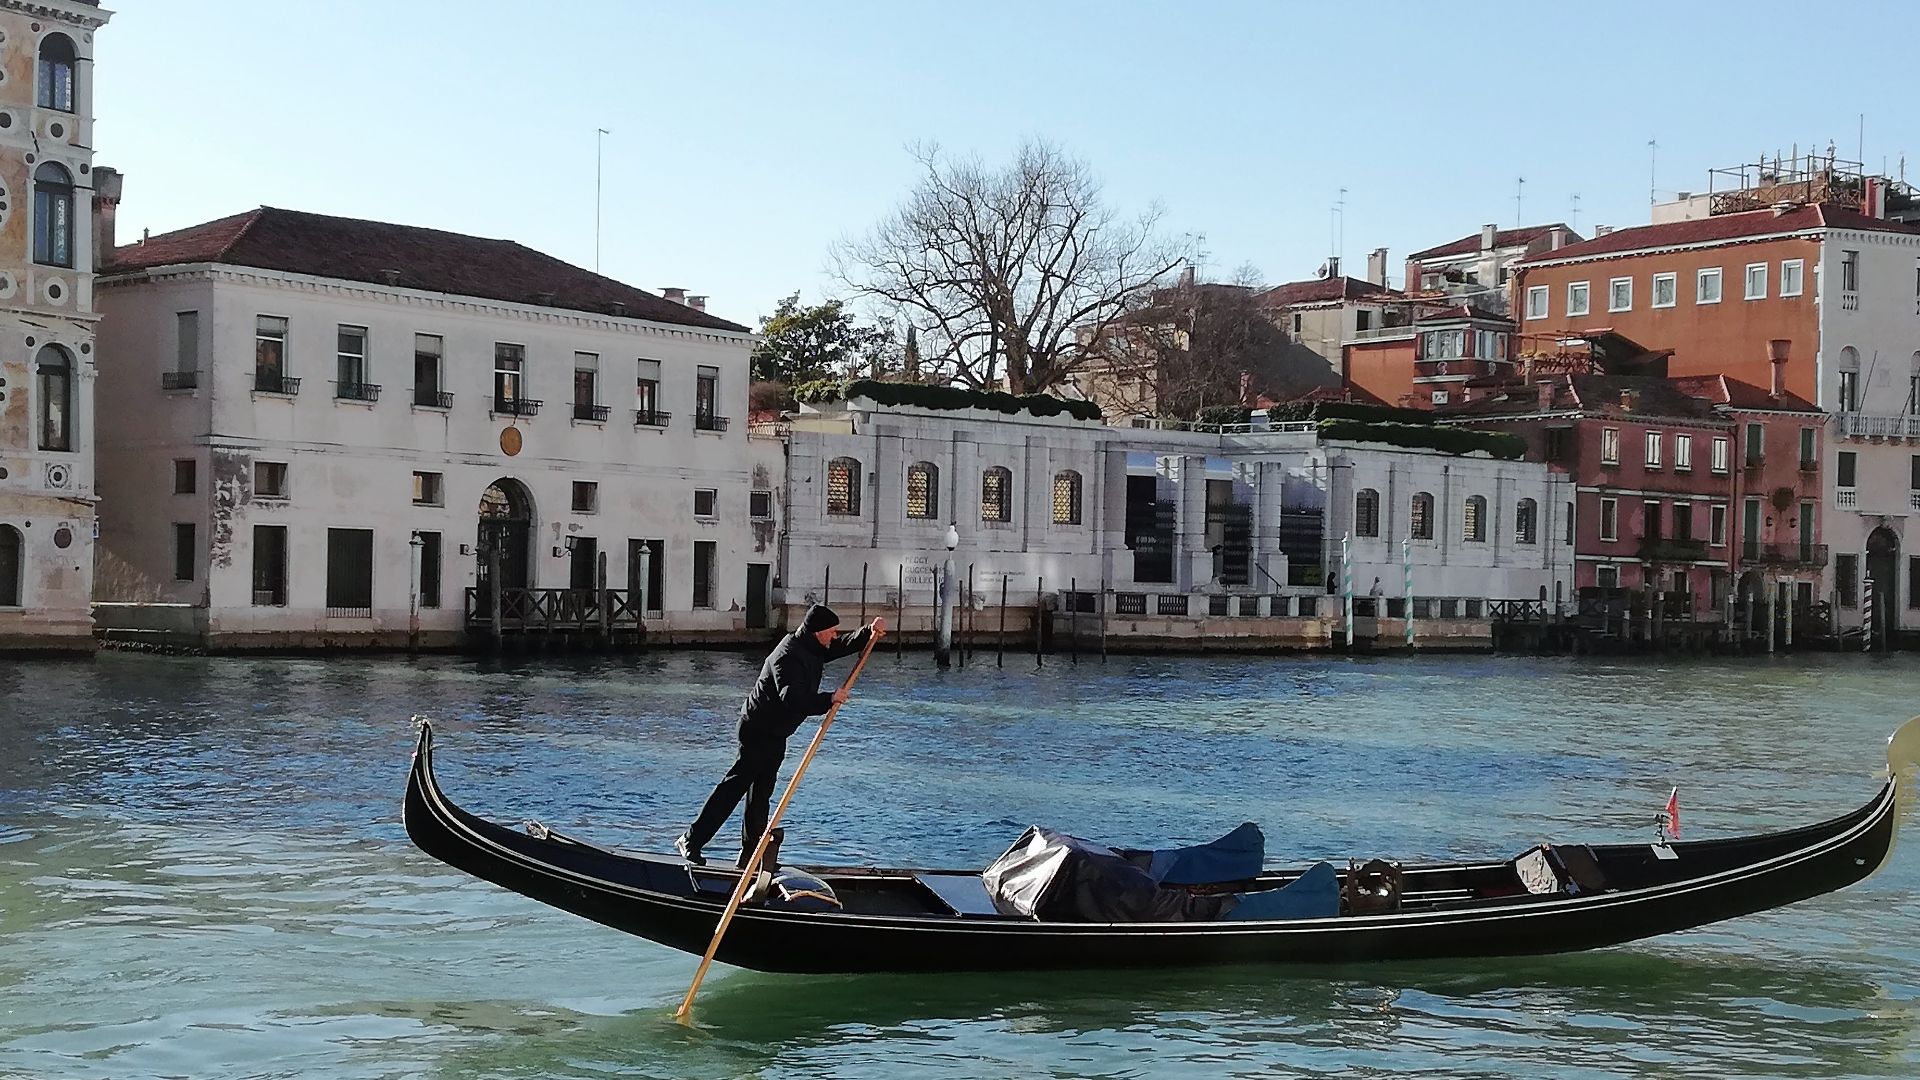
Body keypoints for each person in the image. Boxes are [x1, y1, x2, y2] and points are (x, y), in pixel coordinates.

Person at [676, 604, 885, 867]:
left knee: (761, 794)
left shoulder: (813, 647)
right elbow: (792, 699)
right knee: (734, 787)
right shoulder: (788, 656)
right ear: (816, 632)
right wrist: (828, 699)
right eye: (831, 631)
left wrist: (868, 632)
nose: (834, 636)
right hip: (757, 729)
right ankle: (691, 840)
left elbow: (840, 645)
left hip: (776, 733)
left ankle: (749, 858)